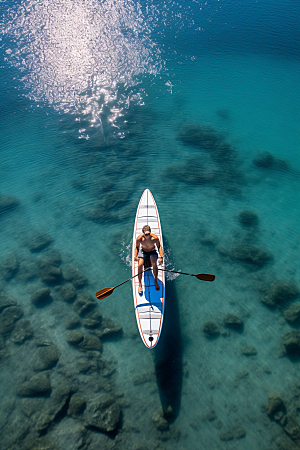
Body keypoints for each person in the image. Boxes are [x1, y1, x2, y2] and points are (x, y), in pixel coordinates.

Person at [134, 225, 163, 294]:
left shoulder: (155, 238)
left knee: (154, 263)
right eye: (145, 234)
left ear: (150, 232)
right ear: (143, 233)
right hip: (143, 251)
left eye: (148, 234)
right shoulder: (139, 239)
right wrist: (135, 256)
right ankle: (140, 284)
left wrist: (161, 257)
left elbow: (159, 247)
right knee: (140, 264)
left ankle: (155, 281)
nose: (147, 235)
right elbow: (137, 248)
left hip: (152, 251)